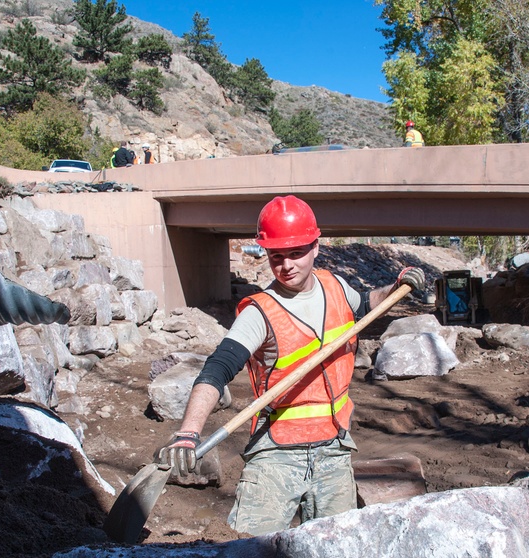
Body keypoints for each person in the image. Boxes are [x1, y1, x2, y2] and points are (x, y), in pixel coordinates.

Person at [155, 195, 427, 536]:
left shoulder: (336, 287)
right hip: (276, 455)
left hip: (335, 448)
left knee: (335, 552)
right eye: (276, 256)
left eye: (296, 253)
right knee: (246, 554)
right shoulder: (260, 312)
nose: (286, 265)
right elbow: (216, 370)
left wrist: (398, 285)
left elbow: (368, 303)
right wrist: (188, 433)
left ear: (316, 246)